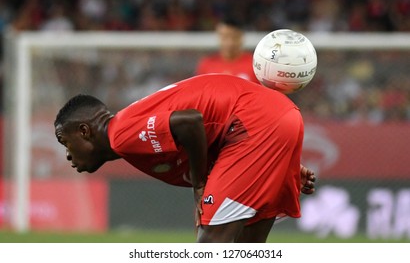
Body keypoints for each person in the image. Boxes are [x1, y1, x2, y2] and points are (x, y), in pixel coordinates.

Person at [54, 73, 316, 243]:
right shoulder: (130, 126)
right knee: (245, 245)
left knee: (211, 243)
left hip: (254, 123)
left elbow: (191, 121)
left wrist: (200, 186)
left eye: (65, 142)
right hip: (275, 119)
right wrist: (283, 164)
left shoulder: (121, 134)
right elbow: (212, 133)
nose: (67, 154)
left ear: (85, 131)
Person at [195, 16, 260, 84]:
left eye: (234, 37)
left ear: (241, 37)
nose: (229, 42)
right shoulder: (206, 64)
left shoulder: (255, 65)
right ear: (219, 36)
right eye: (225, 37)